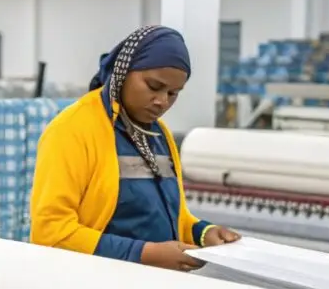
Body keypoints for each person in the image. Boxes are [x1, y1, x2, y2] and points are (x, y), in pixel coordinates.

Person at [30, 24, 239, 272]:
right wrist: (144, 254)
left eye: (173, 93)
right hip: (96, 286)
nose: (162, 101)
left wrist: (203, 233)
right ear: (123, 71)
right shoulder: (73, 130)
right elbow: (50, 232)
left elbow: (172, 216)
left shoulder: (158, 134)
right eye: (153, 86)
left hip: (153, 286)